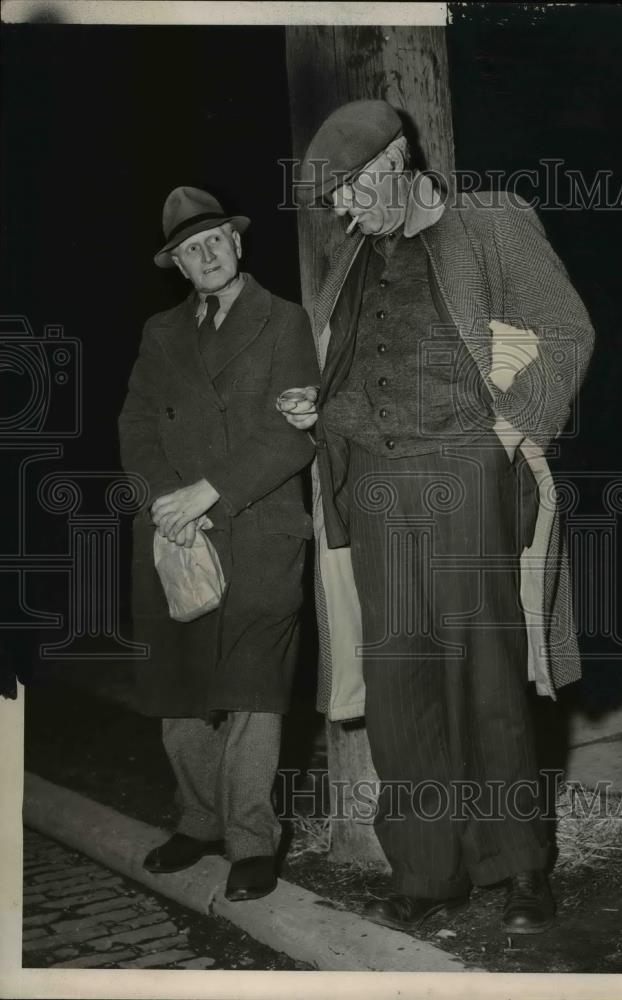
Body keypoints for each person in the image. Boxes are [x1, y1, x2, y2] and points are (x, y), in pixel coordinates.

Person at [279, 101, 595, 935]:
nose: (343, 213)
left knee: (488, 672)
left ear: (394, 160)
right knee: (400, 682)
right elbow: (354, 375)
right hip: (378, 484)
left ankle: (518, 865)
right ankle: (427, 869)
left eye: (350, 191)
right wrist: (317, 407)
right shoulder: (356, 262)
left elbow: (566, 331)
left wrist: (515, 419)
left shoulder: (488, 221)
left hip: (465, 470)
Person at [119, 186, 319, 901]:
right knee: (180, 688)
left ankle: (251, 840)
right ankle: (199, 821)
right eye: (187, 248)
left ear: (237, 244)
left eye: (214, 241)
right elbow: (137, 422)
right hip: (178, 533)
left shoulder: (284, 320)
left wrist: (209, 491)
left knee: (252, 692)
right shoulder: (159, 332)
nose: (203, 254)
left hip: (257, 526)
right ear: (175, 263)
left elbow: (293, 428)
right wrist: (164, 500)